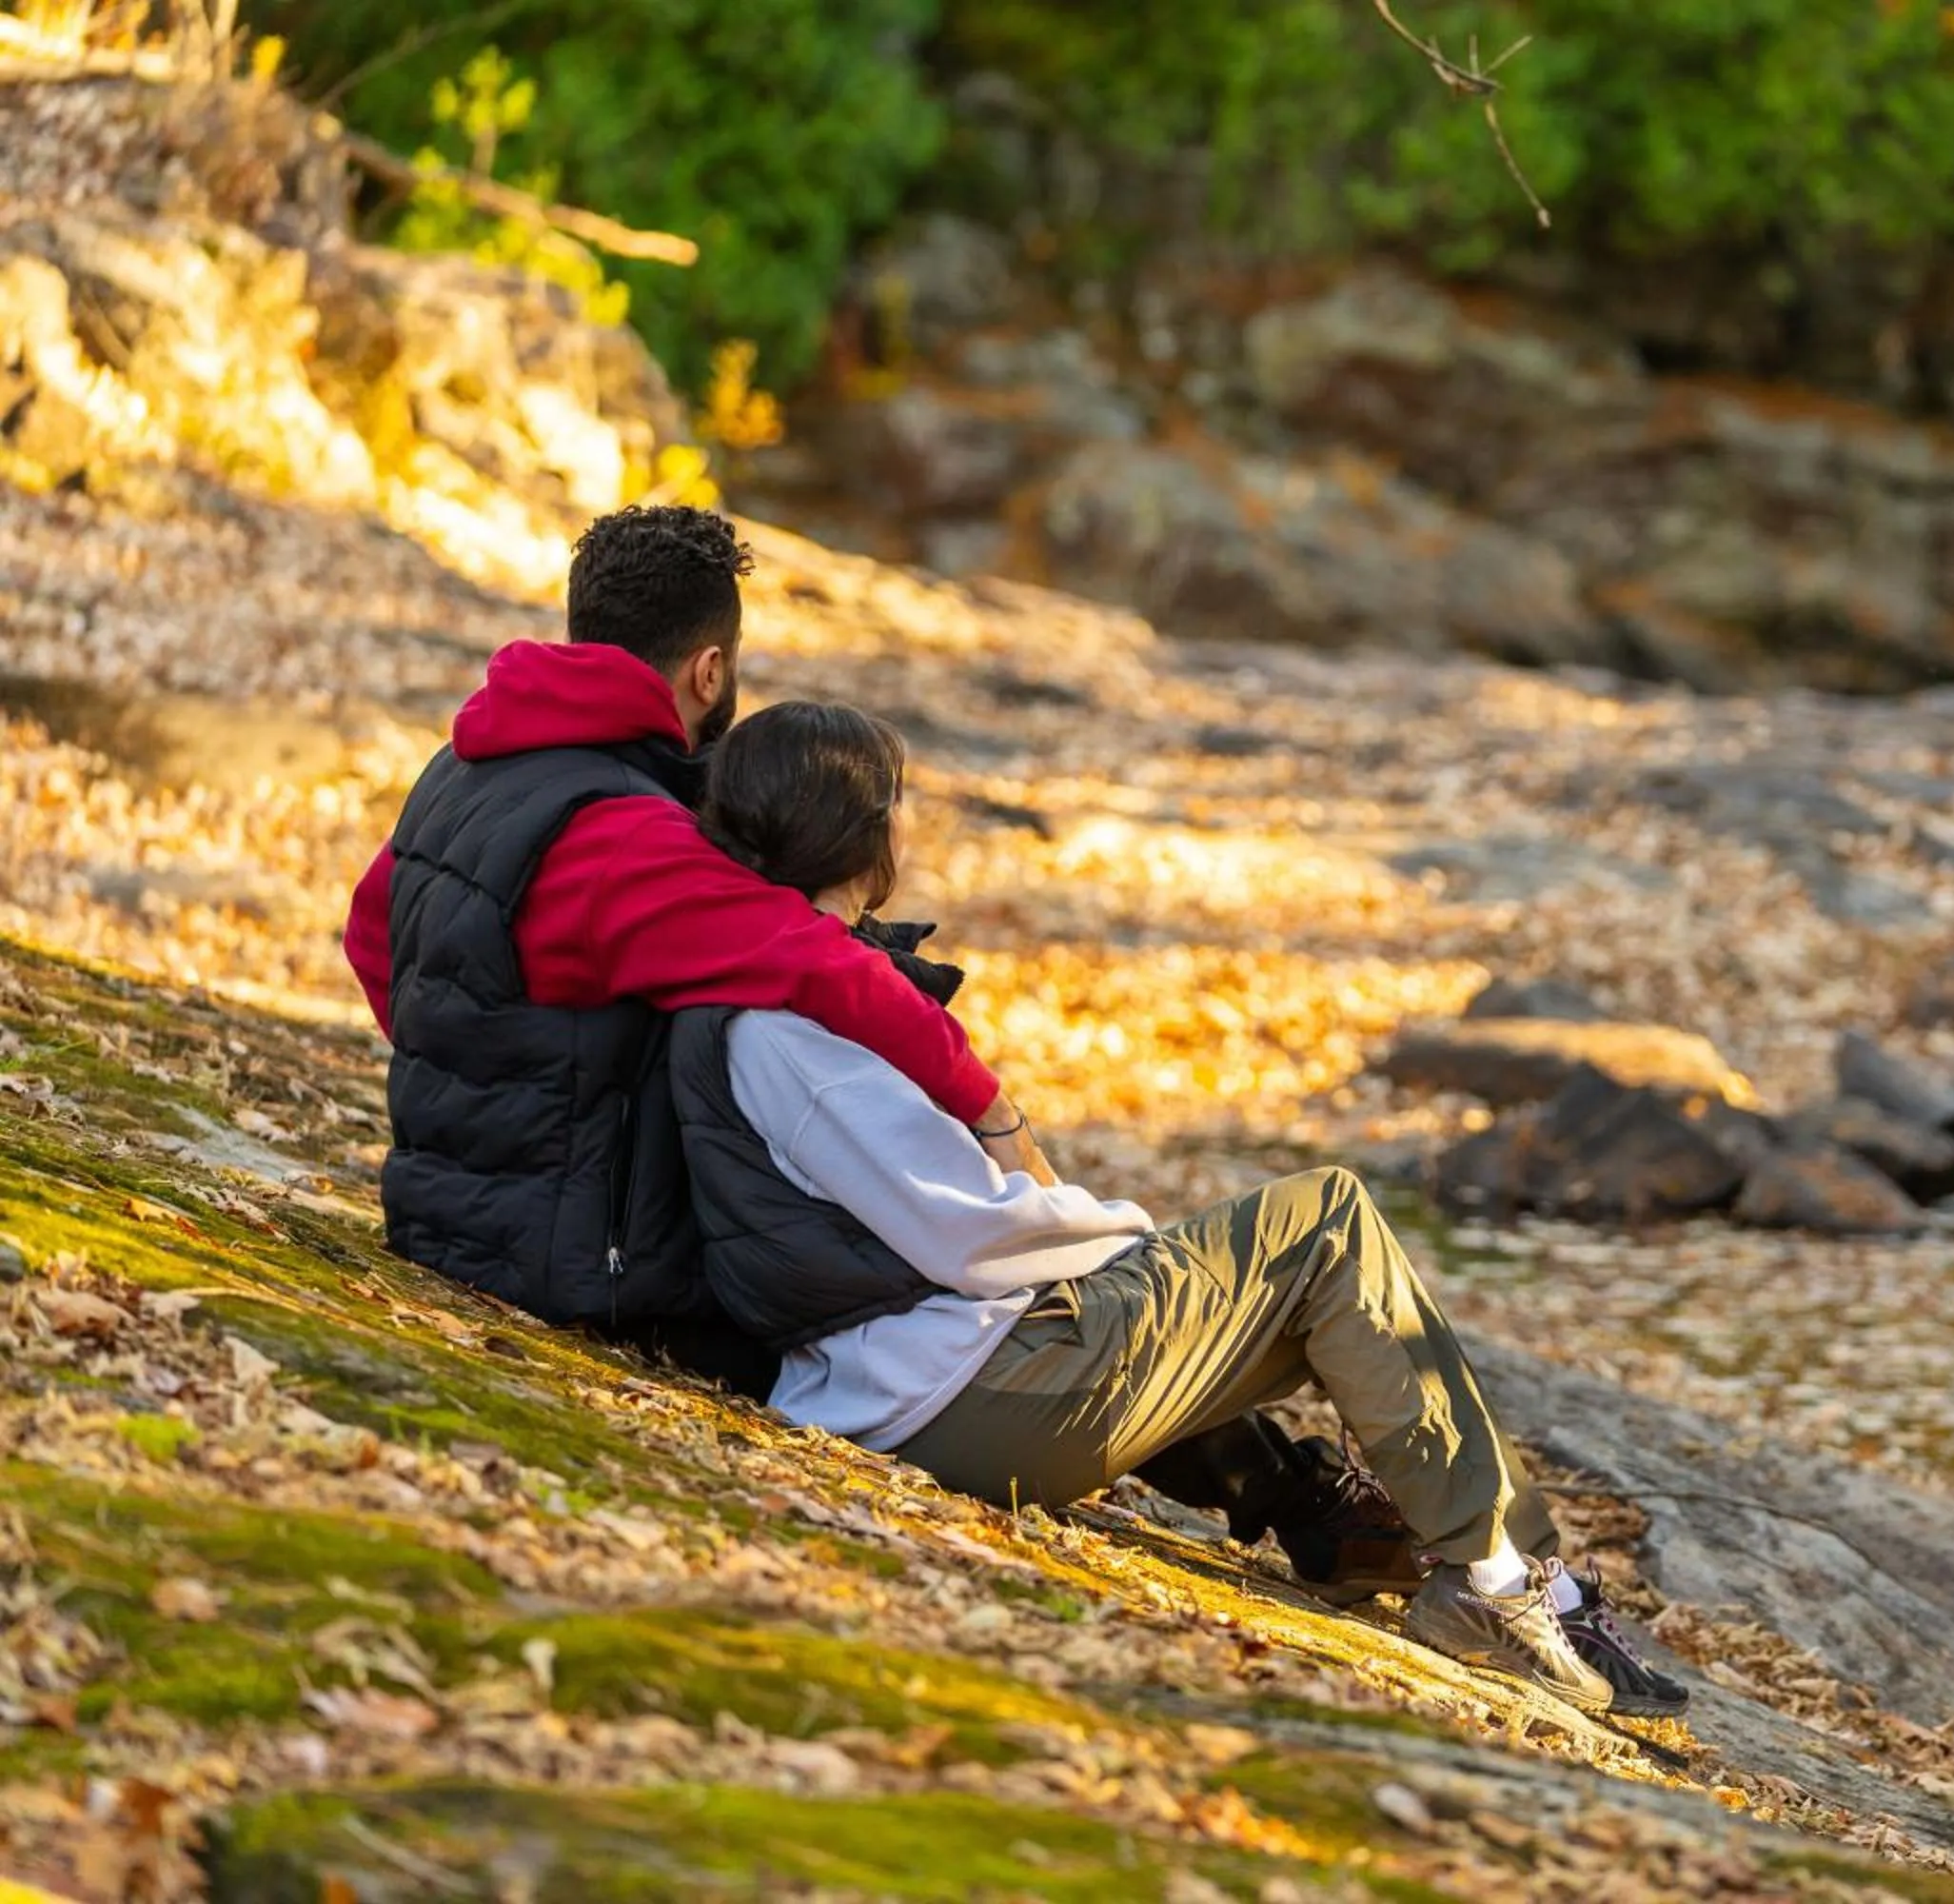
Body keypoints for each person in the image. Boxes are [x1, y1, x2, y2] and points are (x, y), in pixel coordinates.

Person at [342, 505, 1406, 1594]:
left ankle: (1293, 1491)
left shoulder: (463, 773)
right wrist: (994, 1113)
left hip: (448, 1210)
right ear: (709, 670)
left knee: (934, 1264)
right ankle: (1305, 1496)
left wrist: (499, 1068)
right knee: (954, 1297)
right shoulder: (624, 828)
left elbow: (374, 938)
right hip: (581, 1268)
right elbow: (816, 959)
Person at [665, 701, 1692, 1719]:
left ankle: (1500, 1566)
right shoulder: (784, 1025)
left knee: (1310, 1264)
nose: (907, 828)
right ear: (861, 829)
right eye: (899, 805)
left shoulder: (784, 979)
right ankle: (1506, 1584)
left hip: (934, 1383)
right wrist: (1128, 1241)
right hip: (957, 1399)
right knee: (1328, 1219)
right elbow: (971, 1230)